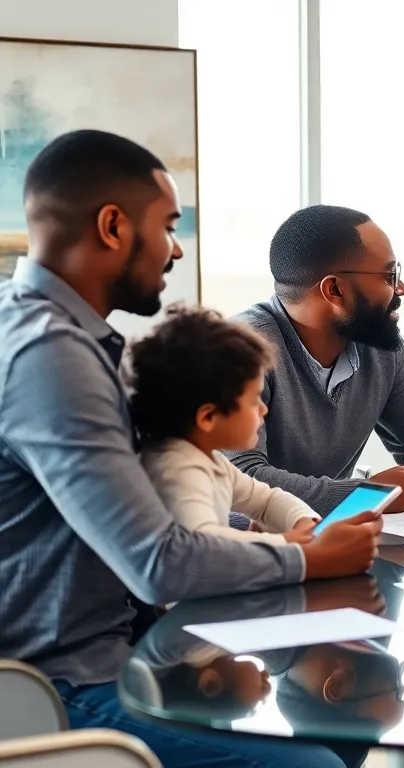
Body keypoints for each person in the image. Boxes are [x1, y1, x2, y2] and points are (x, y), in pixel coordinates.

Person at [0, 130, 380, 767]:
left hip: (126, 644)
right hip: (65, 680)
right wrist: (308, 558)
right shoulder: (51, 357)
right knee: (309, 764)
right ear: (114, 226)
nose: (176, 249)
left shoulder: (65, 338)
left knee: (333, 731)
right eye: (169, 226)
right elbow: (159, 563)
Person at [227, 205, 404, 515]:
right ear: (334, 290)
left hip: (328, 544)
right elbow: (243, 480)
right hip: (237, 551)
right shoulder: (237, 350)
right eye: (389, 276)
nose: (401, 288)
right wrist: (371, 496)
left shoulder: (380, 345)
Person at [131, 305, 321, 545]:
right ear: (207, 417)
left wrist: (303, 522)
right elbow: (204, 540)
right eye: (254, 401)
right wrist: (285, 541)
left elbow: (267, 501)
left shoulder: (212, 461)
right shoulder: (177, 468)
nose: (264, 409)